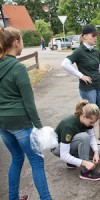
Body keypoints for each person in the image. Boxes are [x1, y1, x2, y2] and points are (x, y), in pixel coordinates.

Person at [0, 27, 52, 200]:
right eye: (21, 41)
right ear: (16, 42)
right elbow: (29, 103)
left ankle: (12, 198)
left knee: (16, 158)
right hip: (20, 122)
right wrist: (39, 127)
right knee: (37, 161)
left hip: (3, 123)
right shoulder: (18, 68)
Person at [61, 25, 100, 147]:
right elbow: (65, 64)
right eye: (93, 35)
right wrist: (81, 76)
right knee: (91, 115)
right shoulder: (79, 51)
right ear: (84, 36)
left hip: (99, 86)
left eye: (96, 36)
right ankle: (93, 140)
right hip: (87, 89)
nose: (95, 38)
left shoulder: (96, 50)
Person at [51, 100, 100, 181]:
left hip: (70, 144)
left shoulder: (86, 121)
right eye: (91, 122)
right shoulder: (69, 126)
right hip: (58, 149)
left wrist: (96, 152)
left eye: (94, 122)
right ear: (83, 116)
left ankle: (72, 160)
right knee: (84, 137)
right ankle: (85, 172)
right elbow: (64, 155)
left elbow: (92, 137)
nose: (93, 125)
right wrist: (85, 163)